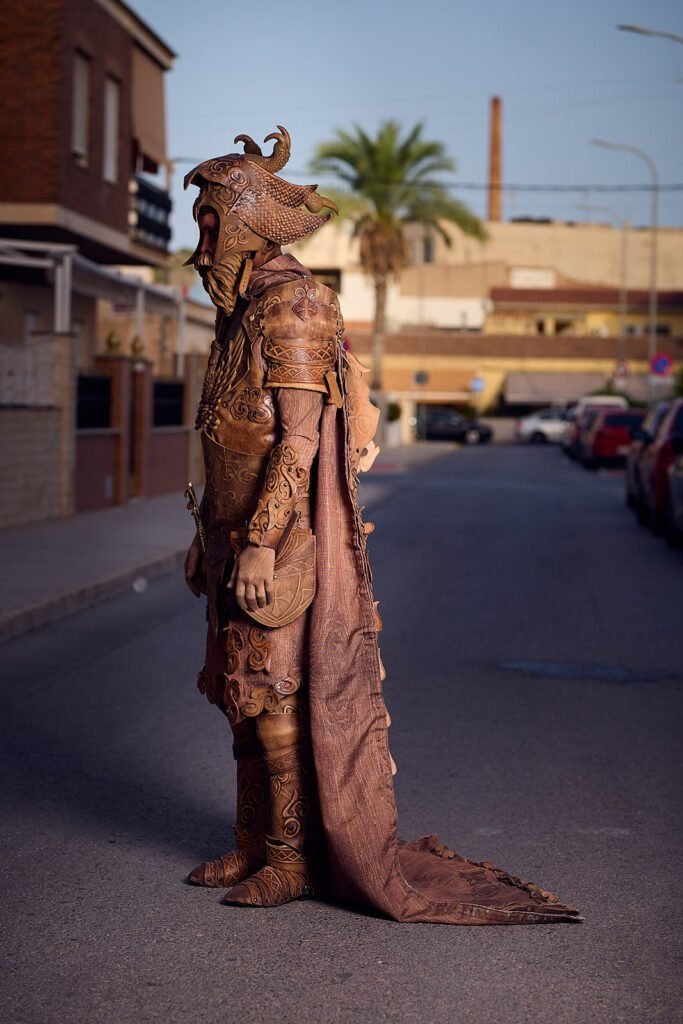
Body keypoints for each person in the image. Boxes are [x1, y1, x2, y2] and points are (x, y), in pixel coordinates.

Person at [183, 126, 580, 924]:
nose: (202, 239)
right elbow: (229, 432)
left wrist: (261, 540)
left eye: (212, 219)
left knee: (279, 698)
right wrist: (210, 535)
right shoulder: (244, 309)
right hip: (231, 538)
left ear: (252, 223)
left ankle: (292, 860)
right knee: (240, 695)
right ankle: (254, 840)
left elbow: (296, 437)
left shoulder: (295, 304)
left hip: (279, 542)